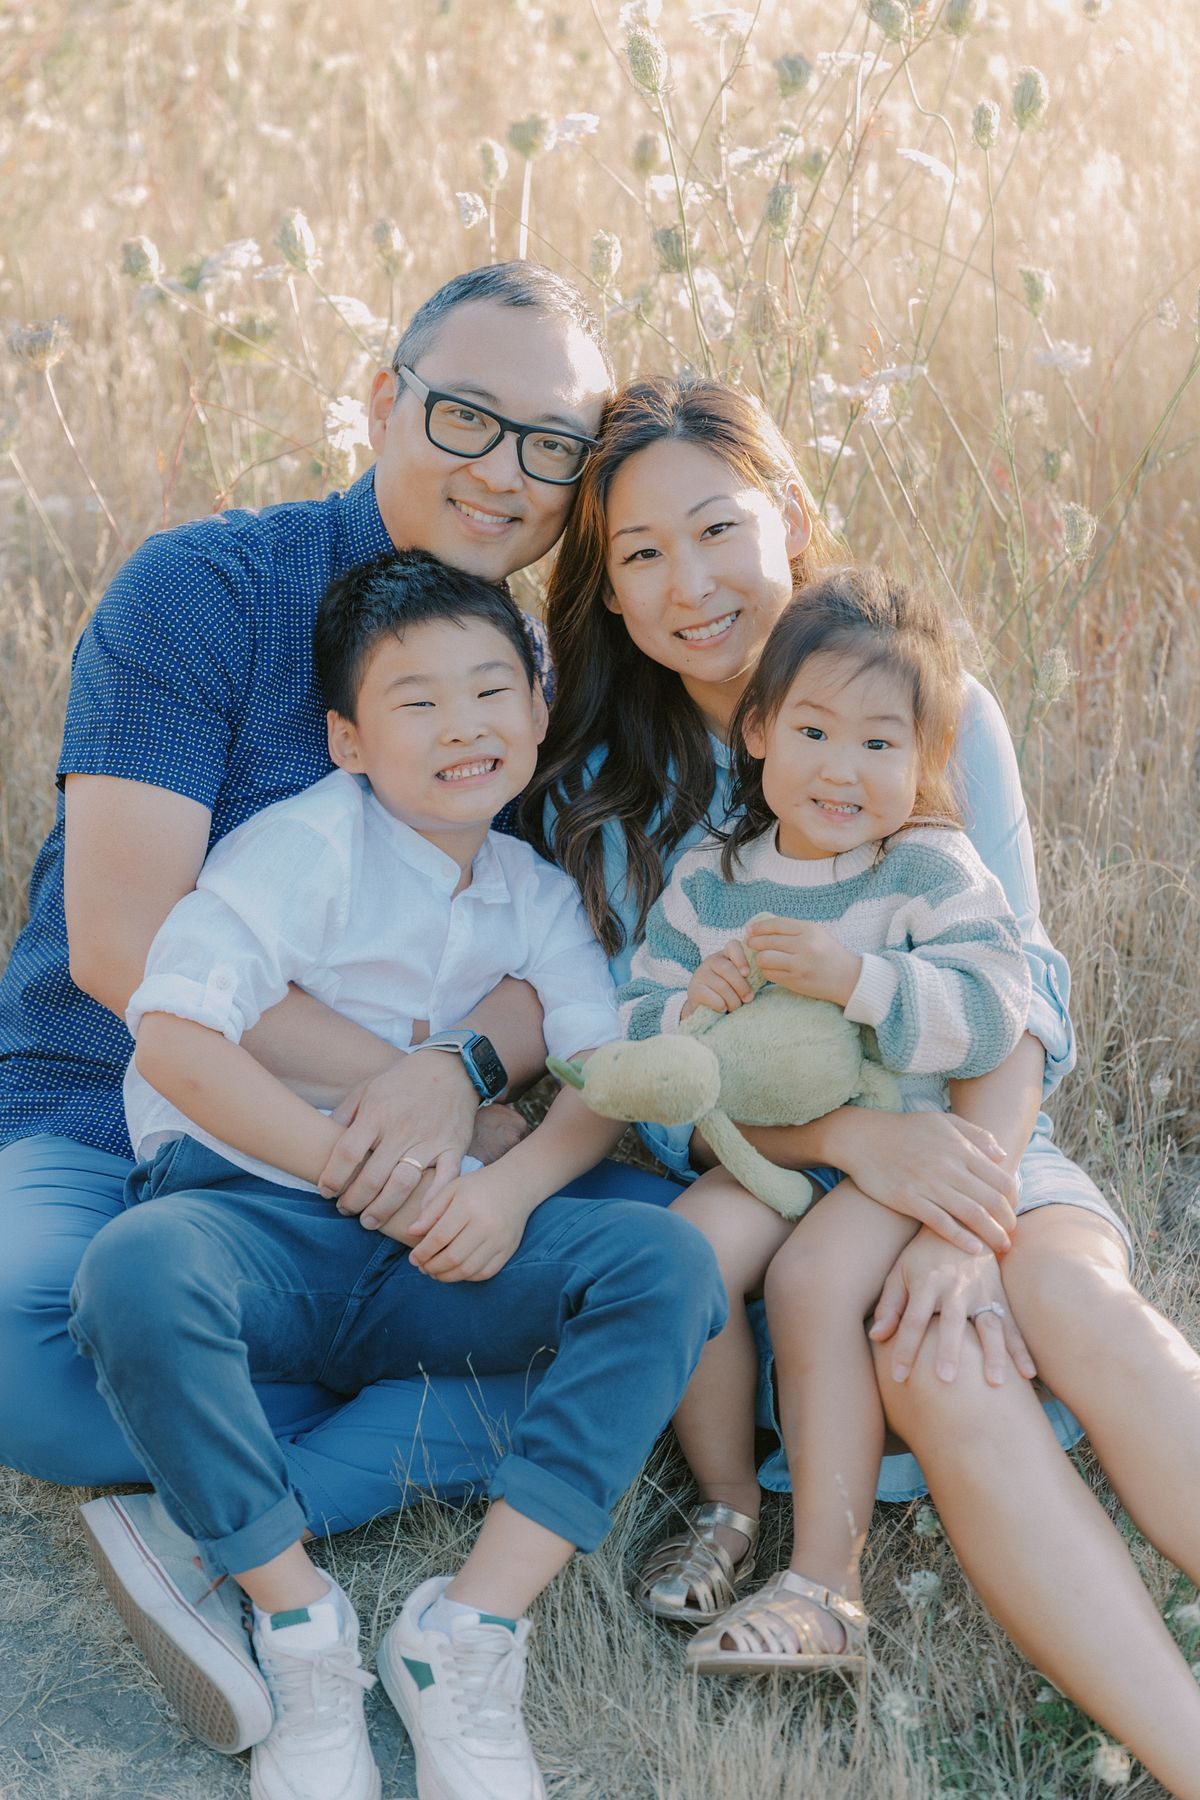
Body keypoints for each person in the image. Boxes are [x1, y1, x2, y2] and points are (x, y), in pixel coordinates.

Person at [522, 374, 1200, 1797]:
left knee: (1053, 1298)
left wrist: (965, 1211)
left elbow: (1019, 996)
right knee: (933, 1356)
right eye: (641, 555)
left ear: (792, 522)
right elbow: (657, 1069)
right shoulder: (606, 785)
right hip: (777, 1177)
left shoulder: (926, 714)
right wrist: (847, 1145)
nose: (691, 584)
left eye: (717, 530)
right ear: (611, 591)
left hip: (966, 1134)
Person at [70, 552, 725, 1800]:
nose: (464, 725)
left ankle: (465, 1633)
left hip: (434, 1246)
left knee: (669, 1260)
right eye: (416, 701)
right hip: (255, 1217)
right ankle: (299, 1625)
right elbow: (173, 1031)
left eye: (491, 691)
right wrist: (345, 1165)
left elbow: (607, 1080)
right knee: (133, 1273)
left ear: (539, 711)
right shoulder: (301, 849)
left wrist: (507, 1192)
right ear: (348, 739)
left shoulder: (538, 896)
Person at [617, 568, 1032, 1674]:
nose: (842, 770)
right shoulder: (711, 883)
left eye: (882, 744)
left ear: (929, 759)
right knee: (685, 1250)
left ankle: (826, 1588)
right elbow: (642, 1021)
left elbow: (996, 1014)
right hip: (769, 1151)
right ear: (758, 730)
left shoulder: (928, 870)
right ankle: (725, 1507)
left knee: (808, 1283)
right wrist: (686, 1011)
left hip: (898, 1159)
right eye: (813, 729)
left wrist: (862, 980)